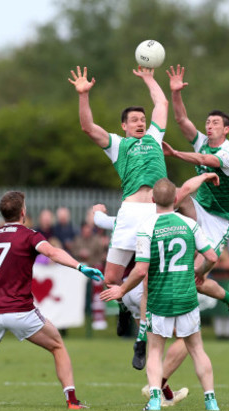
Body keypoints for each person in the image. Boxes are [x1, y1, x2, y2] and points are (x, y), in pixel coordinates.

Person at [0, 191, 104, 409]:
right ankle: (72, 401)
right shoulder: (29, 235)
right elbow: (53, 253)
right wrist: (81, 266)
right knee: (57, 346)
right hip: (20, 312)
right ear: (23, 212)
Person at [68, 64, 168, 366]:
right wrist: (84, 96)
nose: (140, 123)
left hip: (154, 213)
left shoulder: (153, 139)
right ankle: (125, 307)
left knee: (148, 277)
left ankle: (141, 337)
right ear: (124, 125)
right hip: (128, 214)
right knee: (112, 279)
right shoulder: (118, 145)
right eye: (134, 120)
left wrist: (150, 79)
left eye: (143, 119)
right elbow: (88, 128)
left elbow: (161, 104)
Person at [101, 178, 220, 411]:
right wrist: (201, 272)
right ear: (176, 200)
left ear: (153, 199)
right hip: (186, 297)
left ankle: (155, 399)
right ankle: (211, 400)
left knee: (155, 350)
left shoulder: (146, 228)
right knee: (197, 350)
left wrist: (122, 289)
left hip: (159, 298)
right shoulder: (189, 224)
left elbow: (141, 269)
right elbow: (213, 257)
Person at [164, 65, 229, 331]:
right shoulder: (202, 140)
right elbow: (181, 121)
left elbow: (203, 160)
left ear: (227, 130)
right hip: (198, 207)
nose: (209, 126)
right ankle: (150, 223)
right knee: (176, 192)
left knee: (195, 278)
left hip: (218, 221)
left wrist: (176, 154)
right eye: (208, 123)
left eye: (216, 124)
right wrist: (175, 93)